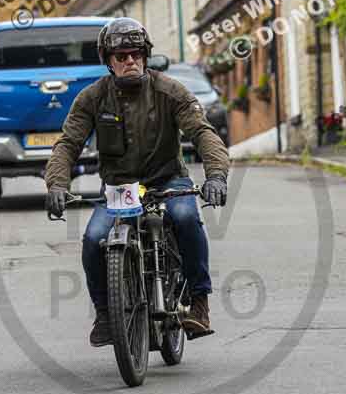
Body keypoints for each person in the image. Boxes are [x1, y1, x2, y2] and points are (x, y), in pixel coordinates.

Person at [45, 18, 229, 347]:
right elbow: (68, 144)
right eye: (121, 56)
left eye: (136, 54)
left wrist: (216, 176)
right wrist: (57, 185)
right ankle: (105, 313)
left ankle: (199, 302)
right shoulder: (92, 98)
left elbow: (203, 133)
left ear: (145, 55)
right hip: (119, 188)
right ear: (108, 61)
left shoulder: (171, 90)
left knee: (186, 218)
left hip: (168, 180)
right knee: (93, 239)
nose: (130, 60)